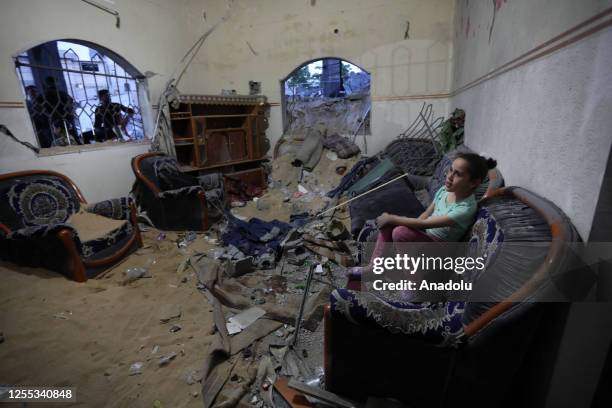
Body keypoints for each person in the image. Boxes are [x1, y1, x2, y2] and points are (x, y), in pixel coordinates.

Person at [349, 153, 497, 278]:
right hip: (425, 238)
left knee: (400, 231)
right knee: (392, 226)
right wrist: (398, 223)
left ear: (474, 183)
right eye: (450, 170)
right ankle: (374, 268)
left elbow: (426, 224)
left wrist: (394, 219)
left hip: (440, 250)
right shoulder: (444, 192)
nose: (449, 176)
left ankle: (413, 281)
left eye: (457, 174)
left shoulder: (465, 209)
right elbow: (425, 216)